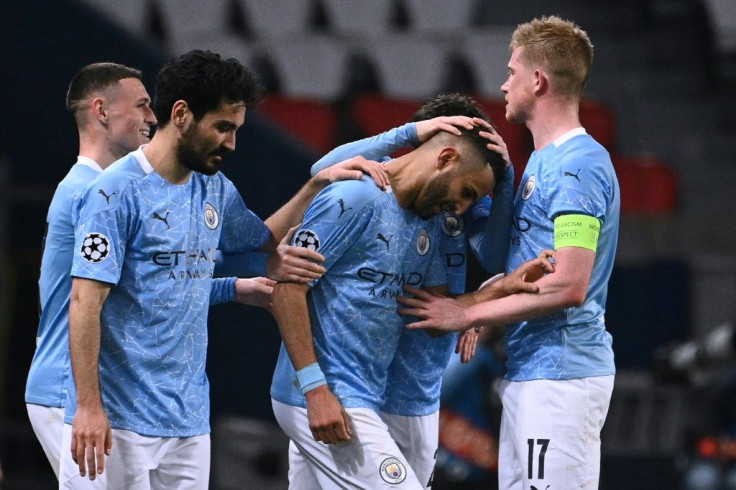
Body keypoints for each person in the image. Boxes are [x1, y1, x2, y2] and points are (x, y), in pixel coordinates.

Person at [62, 50, 387, 488]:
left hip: (189, 423)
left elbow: (259, 241)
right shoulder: (113, 193)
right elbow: (84, 303)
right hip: (116, 421)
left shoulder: (214, 187)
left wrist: (314, 185)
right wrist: (88, 407)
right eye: (223, 127)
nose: (232, 144)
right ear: (181, 114)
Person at [269, 117, 555, 487]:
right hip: (326, 394)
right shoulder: (354, 195)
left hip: (363, 395)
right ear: (446, 158)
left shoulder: (428, 220)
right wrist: (315, 390)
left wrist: (486, 299)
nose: (462, 208)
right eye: (467, 191)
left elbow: (432, 308)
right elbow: (288, 288)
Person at [398, 16, 620, 489]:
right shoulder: (543, 162)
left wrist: (466, 313)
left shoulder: (578, 165)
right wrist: (502, 186)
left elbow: (570, 284)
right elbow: (507, 264)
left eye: (512, 71)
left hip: (562, 375)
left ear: (537, 81)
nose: (503, 84)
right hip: (529, 370)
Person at [24, 62, 157, 479]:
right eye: (142, 105)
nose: (152, 118)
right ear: (101, 110)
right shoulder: (88, 193)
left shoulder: (95, 189)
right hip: (70, 389)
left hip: (82, 386)